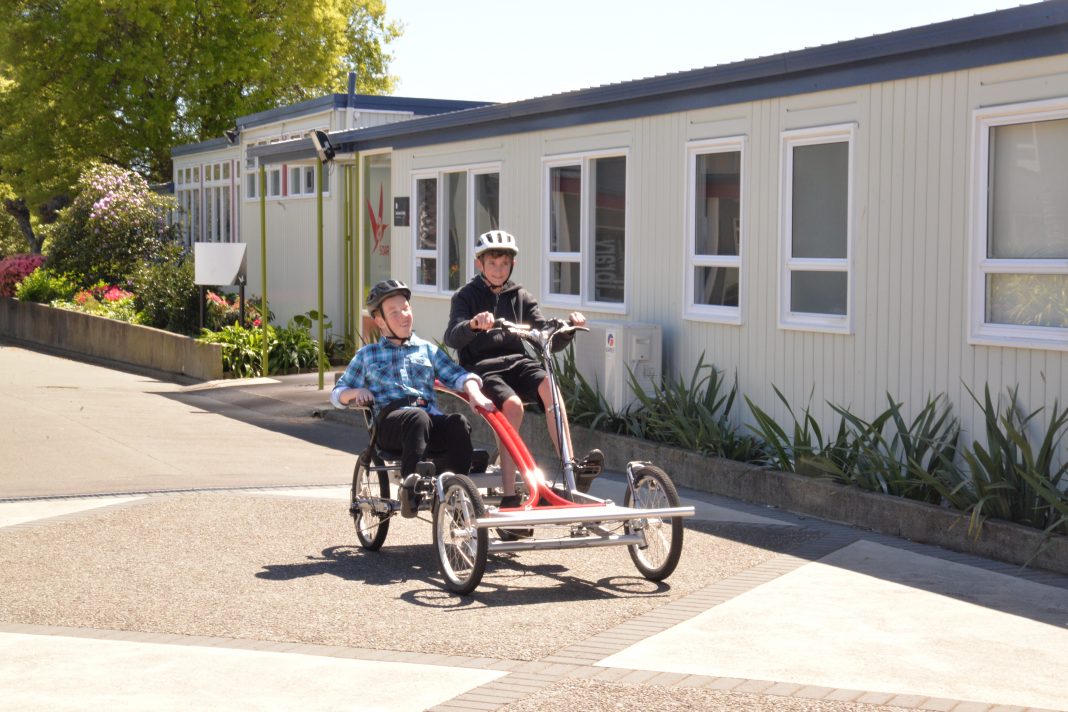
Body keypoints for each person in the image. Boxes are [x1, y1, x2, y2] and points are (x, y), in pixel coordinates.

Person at [444, 230, 603, 505]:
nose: (498, 269)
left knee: (549, 386)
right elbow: (452, 336)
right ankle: (509, 495)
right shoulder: (465, 296)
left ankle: (571, 466)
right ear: (479, 264)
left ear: (512, 265)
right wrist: (473, 324)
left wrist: (568, 329)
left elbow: (545, 336)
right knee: (514, 406)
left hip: (518, 363)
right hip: (483, 367)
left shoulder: (521, 296)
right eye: (492, 263)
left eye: (504, 263)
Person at [332, 279, 495, 514]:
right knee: (418, 417)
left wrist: (474, 391)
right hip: (390, 425)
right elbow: (337, 394)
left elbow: (457, 375)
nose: (403, 316)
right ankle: (411, 489)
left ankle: (458, 492)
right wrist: (357, 392)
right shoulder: (368, 355)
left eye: (406, 308)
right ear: (380, 321)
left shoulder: (426, 350)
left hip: (425, 421)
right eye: (394, 312)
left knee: (458, 423)